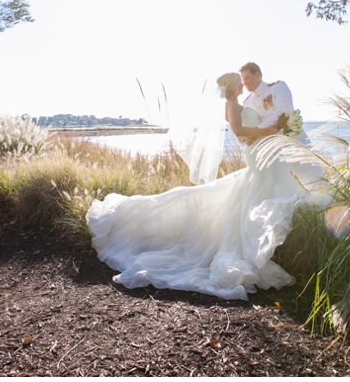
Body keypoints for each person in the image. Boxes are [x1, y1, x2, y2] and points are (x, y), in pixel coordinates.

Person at [86, 72, 327, 301]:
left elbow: (249, 132)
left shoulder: (239, 104)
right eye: (240, 84)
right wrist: (274, 129)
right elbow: (240, 132)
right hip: (258, 162)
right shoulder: (231, 107)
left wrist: (278, 127)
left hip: (263, 162)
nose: (244, 87)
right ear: (233, 88)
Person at [240, 62, 309, 145]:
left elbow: (282, 113)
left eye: (247, 78)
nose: (244, 83)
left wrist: (256, 131)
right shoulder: (247, 102)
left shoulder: (278, 87)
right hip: (271, 148)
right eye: (243, 80)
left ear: (257, 75)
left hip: (294, 140)